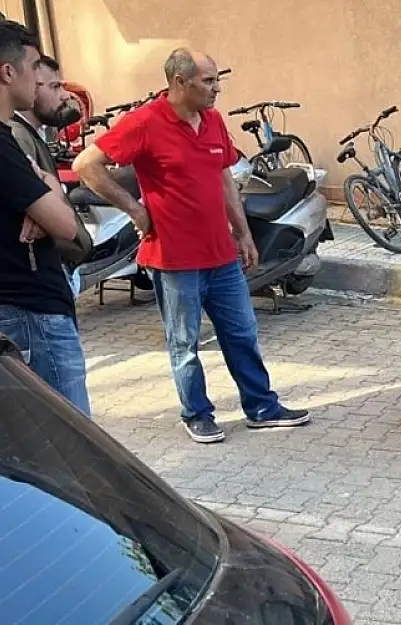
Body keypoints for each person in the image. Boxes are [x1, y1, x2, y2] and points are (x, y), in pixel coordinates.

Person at [73, 47, 310, 444]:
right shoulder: (145, 122)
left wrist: (244, 234)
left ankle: (261, 407)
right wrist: (135, 209)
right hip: (174, 259)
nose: (217, 89)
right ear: (179, 82)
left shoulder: (213, 121)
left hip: (221, 255)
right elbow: (85, 165)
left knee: (242, 334)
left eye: (217, 81)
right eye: (208, 82)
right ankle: (196, 413)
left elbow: (223, 180)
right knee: (184, 343)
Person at [0, 19, 91, 415]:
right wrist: (47, 188)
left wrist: (40, 194)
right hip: (32, 315)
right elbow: (66, 225)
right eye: (35, 68)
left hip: (26, 310)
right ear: (8, 72)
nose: (40, 80)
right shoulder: (5, 146)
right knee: (75, 448)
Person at [7, 53, 89, 296]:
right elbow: (32, 204)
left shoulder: (30, 133)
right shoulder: (17, 134)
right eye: (54, 87)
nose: (64, 95)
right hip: (42, 272)